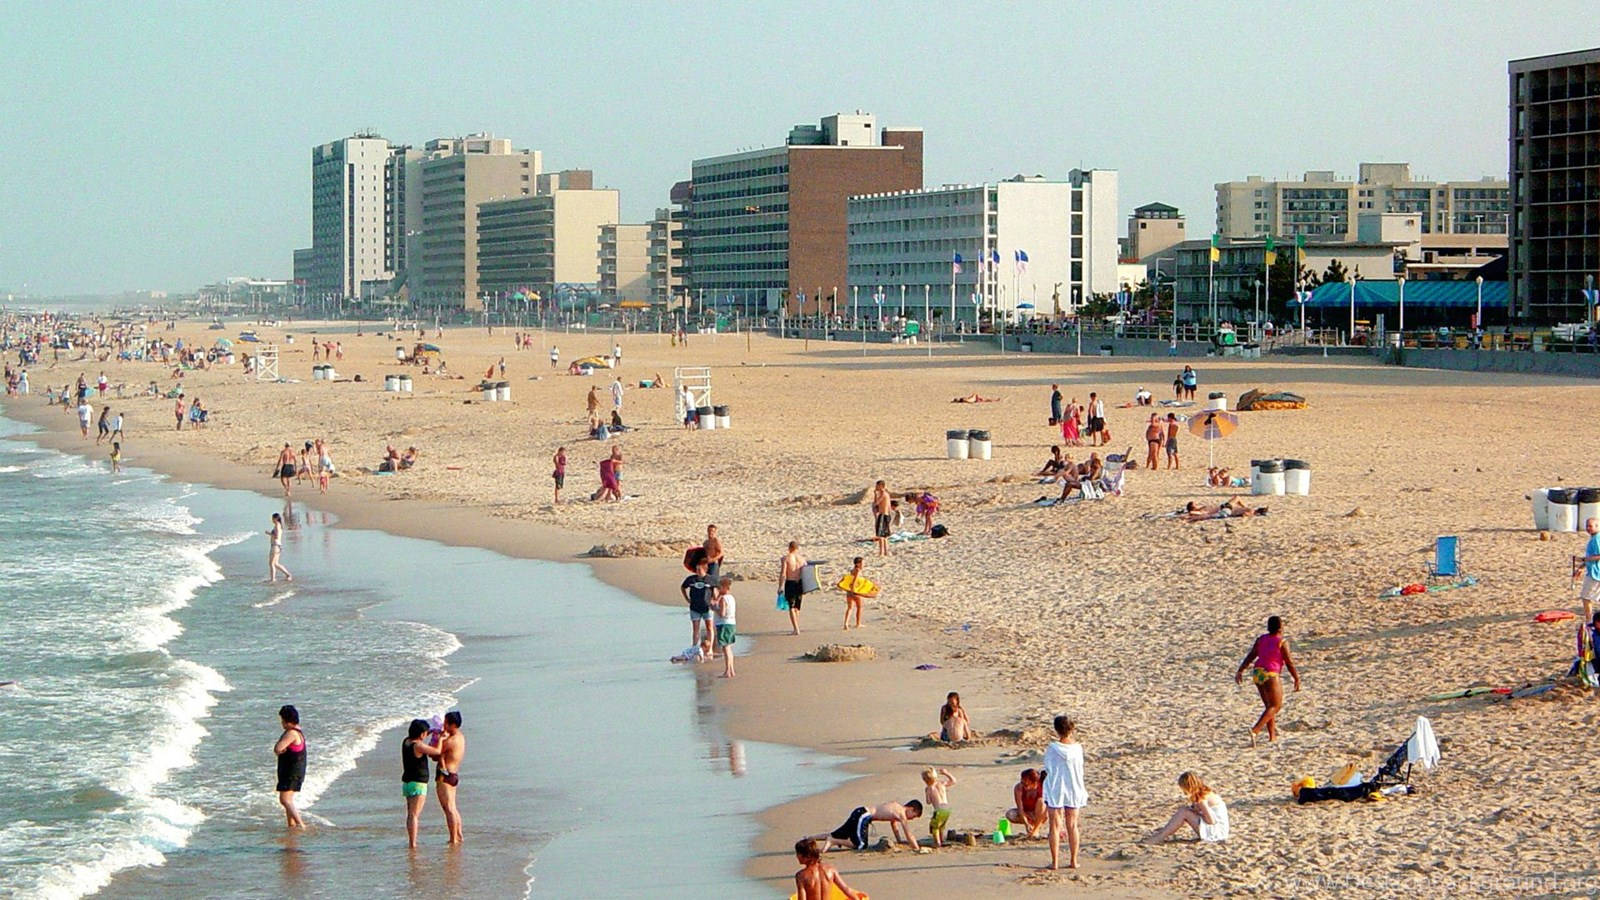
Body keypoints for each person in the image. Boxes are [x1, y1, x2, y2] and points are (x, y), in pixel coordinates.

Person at [1234, 615, 1301, 745]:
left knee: (1269, 707)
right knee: (1276, 705)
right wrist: (1296, 678)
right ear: (1280, 628)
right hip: (1271, 673)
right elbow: (1289, 662)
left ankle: (1272, 736)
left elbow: (1251, 655)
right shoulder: (1281, 642)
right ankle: (1255, 730)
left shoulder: (1261, 639)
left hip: (1258, 672)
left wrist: (1241, 670)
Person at [1042, 715, 1087, 870]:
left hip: (1056, 787)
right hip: (1073, 787)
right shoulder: (1077, 748)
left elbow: (1047, 767)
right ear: (1072, 729)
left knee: (1054, 826)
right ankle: (1073, 860)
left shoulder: (1052, 748)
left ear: (1057, 730)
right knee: (1072, 825)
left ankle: (1054, 862)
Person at [807, 800, 924, 852]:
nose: (911, 819)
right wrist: (917, 848)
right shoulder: (902, 814)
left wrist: (899, 841)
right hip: (864, 816)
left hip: (860, 812)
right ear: (911, 809)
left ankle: (809, 838)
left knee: (839, 832)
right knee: (861, 845)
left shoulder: (896, 805)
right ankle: (832, 841)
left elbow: (894, 825)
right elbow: (909, 834)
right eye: (913, 816)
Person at [1145, 772, 1229, 844]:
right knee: (1184, 811)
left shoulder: (1202, 798)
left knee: (1184, 812)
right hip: (1218, 829)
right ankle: (1164, 831)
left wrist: (1196, 812)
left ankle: (1161, 836)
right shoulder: (1204, 792)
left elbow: (1211, 821)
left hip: (1216, 832)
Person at [401, 718, 438, 848]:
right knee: (414, 815)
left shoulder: (406, 742)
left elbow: (419, 738)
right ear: (421, 734)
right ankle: (413, 843)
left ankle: (411, 840)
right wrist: (441, 739)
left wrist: (429, 732)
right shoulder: (419, 746)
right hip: (418, 783)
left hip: (407, 783)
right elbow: (437, 751)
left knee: (410, 813)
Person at [793, 838, 865, 900]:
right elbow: (846, 889)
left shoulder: (801, 876)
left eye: (798, 854)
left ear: (807, 856)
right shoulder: (831, 870)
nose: (796, 857)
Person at [273, 704, 306, 828]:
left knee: (285, 800)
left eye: (282, 720)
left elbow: (278, 748)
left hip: (291, 771)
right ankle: (291, 825)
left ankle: (301, 824)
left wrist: (279, 748)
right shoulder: (298, 731)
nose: (281, 723)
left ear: (287, 721)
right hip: (296, 771)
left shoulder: (291, 733)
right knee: (288, 799)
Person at [436, 710, 465, 844]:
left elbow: (435, 754)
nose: (444, 726)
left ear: (453, 725)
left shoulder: (450, 741)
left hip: (445, 775)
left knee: (448, 808)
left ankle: (453, 838)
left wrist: (440, 738)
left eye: (446, 724)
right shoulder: (460, 737)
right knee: (453, 807)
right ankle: (458, 834)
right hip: (453, 774)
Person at [681, 558, 715, 648]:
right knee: (696, 629)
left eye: (700, 569)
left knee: (709, 627)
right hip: (694, 608)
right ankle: (694, 647)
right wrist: (687, 599)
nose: (698, 571)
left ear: (705, 569)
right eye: (697, 569)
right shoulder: (691, 579)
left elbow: (716, 589)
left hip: (707, 607)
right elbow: (683, 587)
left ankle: (710, 648)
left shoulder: (710, 579)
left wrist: (714, 600)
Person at [1006, 768, 1047, 839]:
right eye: (1022, 783)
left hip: (1042, 813)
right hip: (1027, 812)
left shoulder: (1043, 787)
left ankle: (1036, 829)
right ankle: (1031, 828)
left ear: (1035, 783)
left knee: (1041, 801)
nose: (1024, 786)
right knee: (1010, 814)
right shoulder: (1019, 788)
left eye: (1026, 785)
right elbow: (1020, 809)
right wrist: (1026, 824)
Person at [923, 767, 957, 848]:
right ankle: (942, 840)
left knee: (934, 827)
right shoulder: (941, 783)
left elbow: (928, 802)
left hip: (938, 809)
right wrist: (946, 773)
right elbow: (953, 781)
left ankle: (937, 842)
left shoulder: (929, 788)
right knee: (941, 826)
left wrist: (926, 793)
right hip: (947, 809)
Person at [779, 540, 808, 635]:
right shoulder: (802, 559)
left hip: (790, 583)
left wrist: (780, 586)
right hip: (800, 583)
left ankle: (796, 629)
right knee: (797, 606)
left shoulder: (786, 558)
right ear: (797, 548)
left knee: (791, 606)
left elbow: (783, 574)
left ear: (789, 548)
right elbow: (806, 573)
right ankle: (796, 626)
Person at [1577, 517, 1600, 622]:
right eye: (1587, 526)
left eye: (1590, 526)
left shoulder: (1596, 539)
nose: (1588, 528)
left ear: (1597, 526)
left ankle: (1589, 620)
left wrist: (1584, 559)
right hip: (1594, 571)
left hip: (1595, 573)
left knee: (1586, 597)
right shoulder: (1594, 538)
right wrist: (1581, 567)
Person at [713, 576, 737, 678]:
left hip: (724, 624)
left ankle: (728, 670)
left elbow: (722, 614)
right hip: (731, 623)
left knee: (726, 648)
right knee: (728, 647)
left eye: (719, 588)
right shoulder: (731, 598)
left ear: (724, 588)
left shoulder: (723, 599)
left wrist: (714, 608)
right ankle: (731, 670)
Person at [841, 556, 870, 630]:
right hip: (854, 591)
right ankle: (858, 623)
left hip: (849, 591)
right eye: (862, 563)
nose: (863, 565)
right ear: (858, 564)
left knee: (850, 608)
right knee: (859, 607)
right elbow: (854, 581)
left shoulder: (852, 570)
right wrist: (854, 591)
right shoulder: (858, 571)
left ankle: (846, 623)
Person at [267, 512, 292, 583]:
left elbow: (276, 536)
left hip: (275, 546)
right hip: (277, 546)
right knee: (276, 563)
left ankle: (273, 579)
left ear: (275, 519)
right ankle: (288, 574)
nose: (272, 520)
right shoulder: (278, 525)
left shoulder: (277, 525)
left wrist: (269, 533)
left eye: (272, 518)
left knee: (271, 563)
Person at [871, 480, 891, 556]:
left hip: (883, 515)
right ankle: (886, 551)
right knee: (885, 535)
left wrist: (875, 495)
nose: (876, 487)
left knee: (880, 535)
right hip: (887, 515)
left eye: (877, 486)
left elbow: (876, 503)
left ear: (881, 486)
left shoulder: (883, 494)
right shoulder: (887, 494)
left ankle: (881, 552)